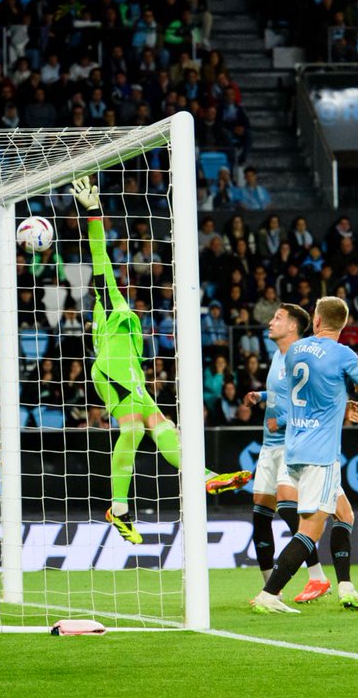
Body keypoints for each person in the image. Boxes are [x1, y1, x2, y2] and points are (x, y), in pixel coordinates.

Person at [71, 177, 251, 543]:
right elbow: (98, 253)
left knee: (163, 426)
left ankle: (204, 478)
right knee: (135, 429)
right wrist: (93, 212)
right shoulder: (108, 301)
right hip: (111, 370)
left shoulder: (133, 324)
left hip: (130, 373)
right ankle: (118, 507)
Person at [251, 297, 358, 614]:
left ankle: (346, 588)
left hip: (293, 447)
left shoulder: (297, 351)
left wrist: (341, 402)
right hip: (320, 454)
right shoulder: (342, 354)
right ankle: (271, 593)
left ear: (316, 321)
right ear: (343, 325)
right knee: (310, 529)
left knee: (345, 514)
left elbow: (300, 393)